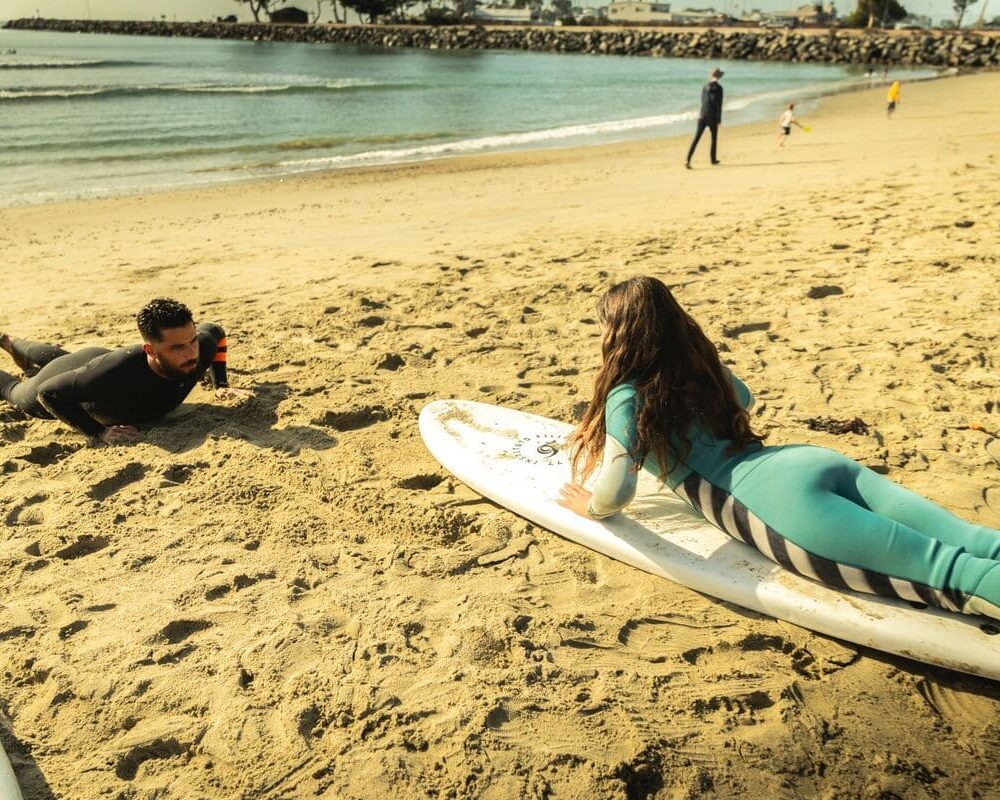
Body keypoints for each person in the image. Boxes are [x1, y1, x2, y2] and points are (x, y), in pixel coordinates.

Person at [557, 276, 1000, 622]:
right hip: (807, 461)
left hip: (783, 505)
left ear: (616, 335)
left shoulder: (628, 396)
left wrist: (592, 509)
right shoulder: (704, 368)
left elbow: (616, 489)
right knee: (975, 541)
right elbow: (744, 397)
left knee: (955, 575)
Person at [0, 298, 250, 445]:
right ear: (150, 351)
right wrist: (98, 432)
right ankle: (12, 346)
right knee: (15, 392)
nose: (191, 354)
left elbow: (215, 331)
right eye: (177, 348)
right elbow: (49, 393)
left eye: (192, 341)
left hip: (92, 363)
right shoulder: (117, 374)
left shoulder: (200, 348)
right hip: (84, 374)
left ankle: (11, 343)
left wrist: (221, 384)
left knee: (55, 357)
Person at [685, 67, 724, 169]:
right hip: (713, 117)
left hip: (702, 116)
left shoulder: (705, 86)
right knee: (714, 138)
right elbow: (719, 105)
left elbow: (703, 101)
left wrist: (701, 113)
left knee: (696, 139)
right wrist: (719, 119)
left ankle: (688, 159)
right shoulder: (719, 89)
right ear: (719, 77)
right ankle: (713, 159)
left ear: (711, 75)